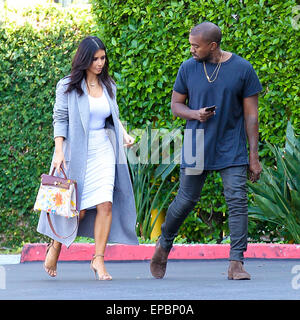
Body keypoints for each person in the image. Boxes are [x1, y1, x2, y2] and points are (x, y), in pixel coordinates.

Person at [150, 22, 262, 280]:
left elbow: (252, 117)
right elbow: (176, 106)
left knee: (236, 200)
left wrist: (253, 157)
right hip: (196, 144)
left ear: (212, 46)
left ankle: (236, 262)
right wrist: (195, 114)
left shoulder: (242, 69)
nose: (191, 49)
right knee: (186, 200)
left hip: (230, 146)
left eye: (195, 46)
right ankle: (164, 244)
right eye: (190, 44)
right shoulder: (188, 68)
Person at [37, 36, 138, 280]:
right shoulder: (68, 86)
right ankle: (56, 244)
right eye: (95, 59)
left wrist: (123, 134)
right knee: (75, 208)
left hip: (103, 149)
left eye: (103, 58)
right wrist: (59, 150)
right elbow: (60, 118)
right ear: (84, 59)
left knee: (105, 203)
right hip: (76, 150)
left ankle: (98, 260)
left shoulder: (108, 85)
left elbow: (113, 114)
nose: (100, 63)